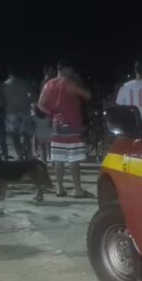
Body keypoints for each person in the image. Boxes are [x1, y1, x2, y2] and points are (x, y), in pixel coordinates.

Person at [38, 60, 92, 198]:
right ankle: (78, 190)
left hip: (57, 125)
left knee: (58, 159)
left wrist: (53, 113)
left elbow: (40, 104)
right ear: (65, 69)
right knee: (74, 159)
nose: (73, 72)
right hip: (72, 125)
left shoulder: (48, 84)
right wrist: (79, 81)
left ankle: (59, 188)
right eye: (71, 69)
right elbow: (87, 95)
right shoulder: (70, 83)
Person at [2, 67, 36, 159]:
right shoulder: (24, 83)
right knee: (27, 134)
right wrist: (29, 103)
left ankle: (20, 153)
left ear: (9, 73)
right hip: (25, 111)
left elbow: (2, 99)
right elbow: (33, 95)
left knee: (14, 135)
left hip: (11, 112)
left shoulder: (5, 84)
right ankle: (28, 154)